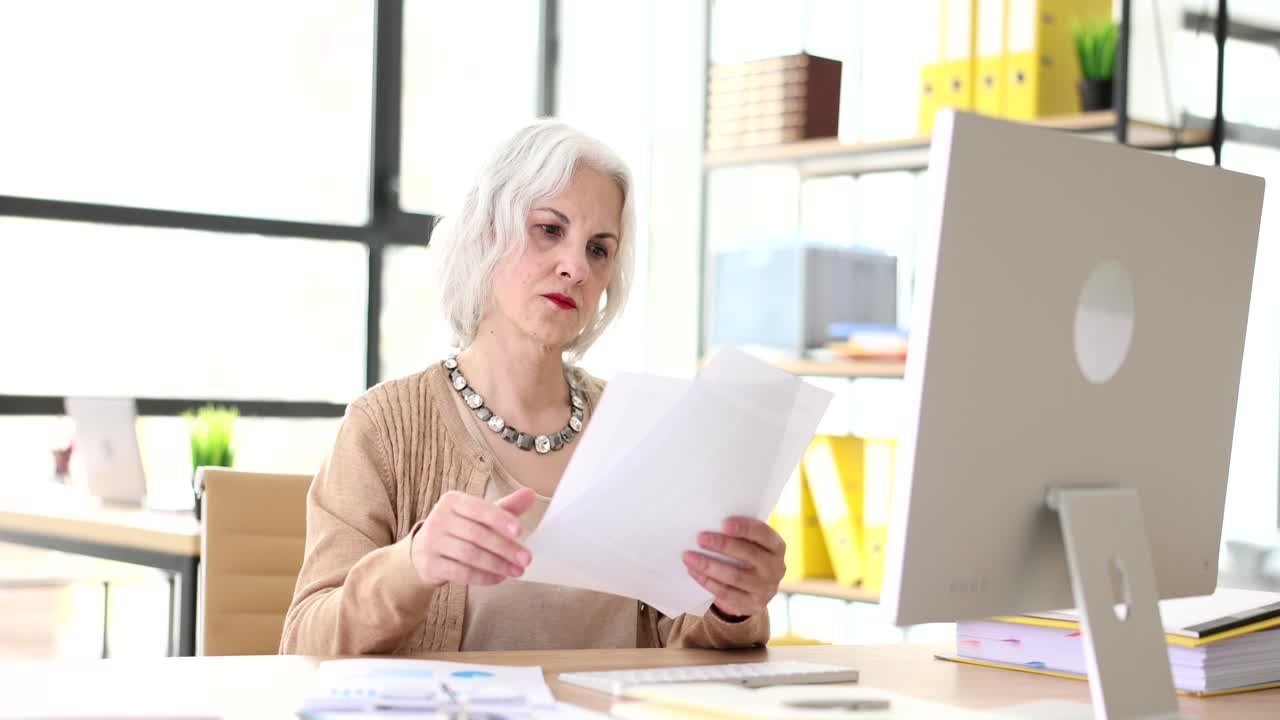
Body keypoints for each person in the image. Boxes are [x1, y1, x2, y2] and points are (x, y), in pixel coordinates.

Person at [280, 119, 785, 655]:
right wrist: (412, 564)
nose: (575, 268)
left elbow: (678, 641)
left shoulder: (639, 429)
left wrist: (732, 606)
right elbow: (304, 643)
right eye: (549, 229)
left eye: (598, 249)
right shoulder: (383, 426)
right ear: (487, 233)